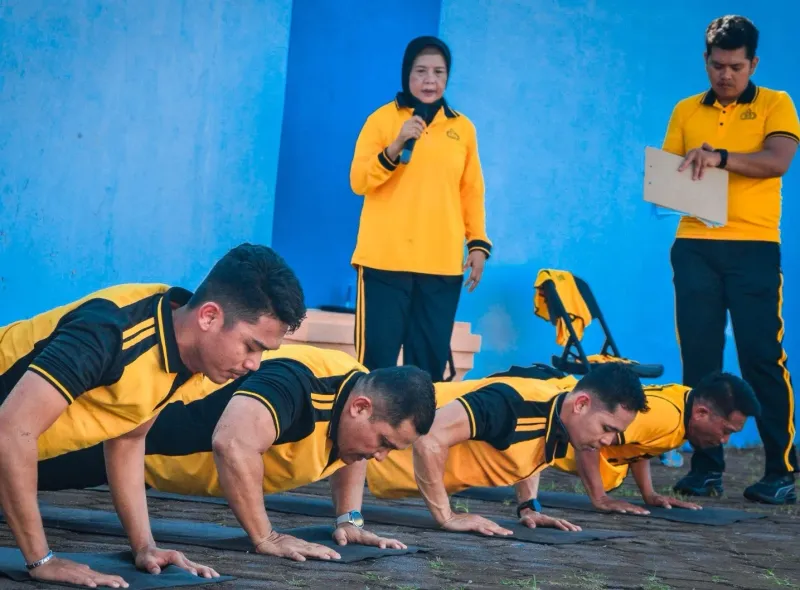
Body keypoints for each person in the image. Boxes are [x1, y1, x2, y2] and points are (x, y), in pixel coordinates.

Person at [0, 243, 306, 588]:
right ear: (209, 317)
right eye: (251, 346)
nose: (254, 364)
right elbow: (12, 431)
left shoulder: (184, 349)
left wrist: (145, 547)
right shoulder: (109, 331)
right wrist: (42, 560)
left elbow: (129, 438)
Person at [36, 345, 437, 562]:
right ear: (361, 408)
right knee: (22, 466)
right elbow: (233, 443)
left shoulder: (356, 396)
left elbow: (352, 450)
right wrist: (266, 537)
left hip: (146, 464)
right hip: (117, 442)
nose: (380, 456)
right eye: (385, 442)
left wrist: (349, 518)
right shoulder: (297, 383)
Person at [662, 14, 799, 503]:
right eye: (717, 65)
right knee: (699, 358)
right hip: (694, 244)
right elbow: (671, 174)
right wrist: (667, 182)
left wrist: (719, 157)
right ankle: (706, 468)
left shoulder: (776, 103)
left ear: (753, 63)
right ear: (706, 60)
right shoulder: (685, 110)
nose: (726, 75)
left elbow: (777, 161)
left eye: (736, 67)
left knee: (761, 356)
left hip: (754, 247)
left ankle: (780, 470)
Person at [349, 35, 492, 381]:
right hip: (385, 260)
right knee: (375, 368)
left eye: (438, 72)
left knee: (426, 371)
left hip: (440, 264)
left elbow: (471, 191)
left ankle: (418, 420)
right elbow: (359, 181)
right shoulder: (382, 120)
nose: (430, 80)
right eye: (421, 71)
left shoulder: (462, 128)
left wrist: (477, 244)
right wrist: (396, 145)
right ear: (407, 74)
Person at [365, 362, 648, 536]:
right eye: (607, 428)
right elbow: (429, 440)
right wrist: (447, 517)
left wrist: (529, 507)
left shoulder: (558, 412)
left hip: (381, 463)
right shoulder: (510, 405)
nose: (608, 441)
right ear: (582, 404)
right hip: (367, 444)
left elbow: (530, 447)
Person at [515, 371, 761, 515]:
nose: (724, 440)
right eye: (725, 430)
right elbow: (589, 442)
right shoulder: (664, 417)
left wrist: (649, 494)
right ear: (701, 413)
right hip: (533, 404)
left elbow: (641, 444)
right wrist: (600, 498)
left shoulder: (685, 407)